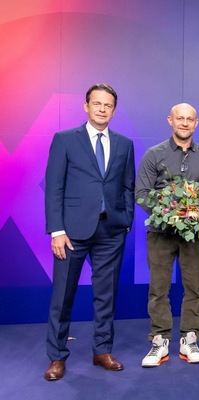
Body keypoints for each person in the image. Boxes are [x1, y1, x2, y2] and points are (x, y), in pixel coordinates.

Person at [44, 83, 135, 381]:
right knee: (63, 296)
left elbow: (127, 186)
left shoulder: (124, 144)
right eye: (96, 103)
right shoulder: (65, 139)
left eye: (107, 105)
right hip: (71, 233)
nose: (101, 109)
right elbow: (54, 188)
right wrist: (56, 230)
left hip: (111, 232)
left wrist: (127, 220)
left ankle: (102, 351)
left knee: (106, 296)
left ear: (113, 109)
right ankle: (57, 357)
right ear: (86, 106)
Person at [135, 103, 199, 367]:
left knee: (194, 287)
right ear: (170, 120)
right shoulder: (153, 154)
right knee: (159, 288)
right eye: (179, 118)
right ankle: (159, 340)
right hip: (160, 232)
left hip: (195, 234)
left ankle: (189, 338)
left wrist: (198, 215)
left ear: (196, 123)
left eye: (189, 119)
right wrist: (169, 214)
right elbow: (141, 193)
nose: (184, 123)